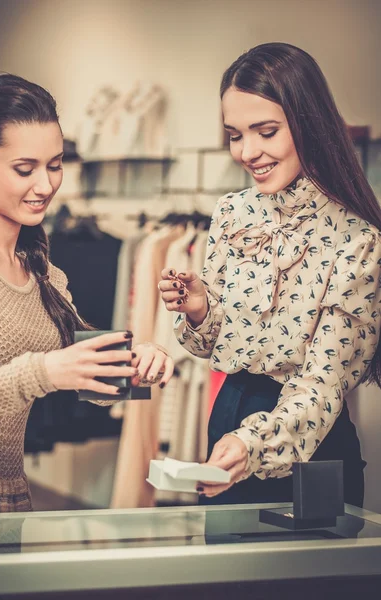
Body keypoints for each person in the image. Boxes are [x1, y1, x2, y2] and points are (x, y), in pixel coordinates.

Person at [0, 73, 173, 516]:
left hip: (11, 496)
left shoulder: (43, 270)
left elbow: (80, 374)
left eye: (54, 166)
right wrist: (43, 372)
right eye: (24, 169)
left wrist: (135, 363)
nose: (45, 185)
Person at [158, 42, 381, 508]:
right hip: (227, 426)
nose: (248, 152)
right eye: (235, 135)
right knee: (224, 575)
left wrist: (254, 444)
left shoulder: (358, 242)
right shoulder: (231, 213)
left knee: (302, 582)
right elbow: (208, 348)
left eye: (266, 131)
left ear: (308, 124)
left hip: (310, 450)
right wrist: (201, 311)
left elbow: (321, 387)